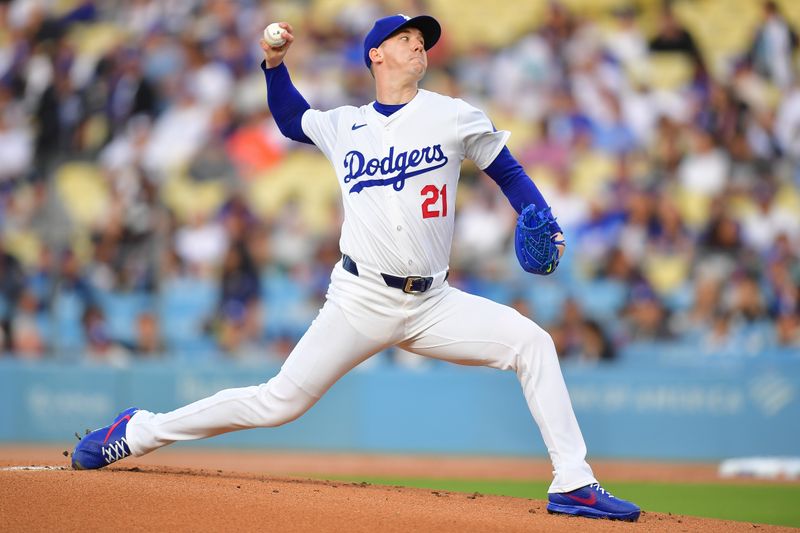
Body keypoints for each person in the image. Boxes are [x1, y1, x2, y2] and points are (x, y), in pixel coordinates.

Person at [72, 14, 640, 522]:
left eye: (422, 41)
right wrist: (273, 64)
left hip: (433, 303)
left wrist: (540, 214)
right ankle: (138, 431)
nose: (419, 47)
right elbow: (293, 120)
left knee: (533, 343)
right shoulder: (345, 125)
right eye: (406, 39)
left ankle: (574, 482)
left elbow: (510, 173)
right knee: (278, 403)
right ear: (376, 55)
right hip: (360, 299)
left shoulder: (453, 115)